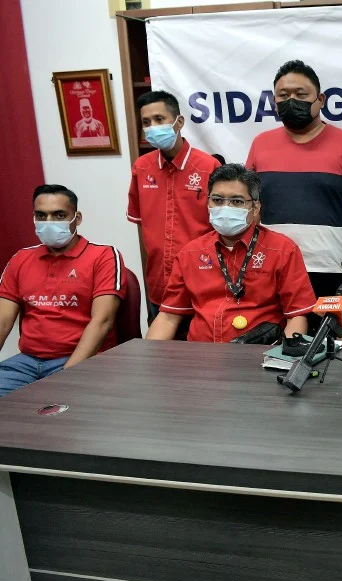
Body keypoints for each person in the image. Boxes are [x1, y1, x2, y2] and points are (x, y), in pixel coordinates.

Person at [246, 60, 342, 299]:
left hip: (335, 272)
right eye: (283, 95)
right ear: (274, 101)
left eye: (301, 94)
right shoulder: (260, 144)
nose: (291, 100)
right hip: (274, 270)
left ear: (321, 99)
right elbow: (250, 206)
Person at [146, 165, 316, 343]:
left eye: (237, 201)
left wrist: (283, 356)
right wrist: (147, 356)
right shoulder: (190, 253)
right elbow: (168, 317)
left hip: (258, 353)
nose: (225, 208)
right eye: (217, 200)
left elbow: (297, 316)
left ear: (256, 207)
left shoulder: (282, 250)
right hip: (201, 353)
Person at [0, 185, 125, 396]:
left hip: (81, 360)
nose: (49, 222)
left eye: (59, 215)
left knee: (57, 404)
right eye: (41, 216)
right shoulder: (20, 259)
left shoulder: (103, 256)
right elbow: (2, 321)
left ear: (77, 218)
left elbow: (102, 321)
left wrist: (67, 376)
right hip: (26, 362)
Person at [127, 90, 220, 321]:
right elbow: (141, 226)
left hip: (201, 283)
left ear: (179, 122)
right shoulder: (141, 167)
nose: (152, 127)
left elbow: (221, 229)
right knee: (159, 343)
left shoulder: (208, 166)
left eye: (159, 119)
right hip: (158, 287)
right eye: (146, 122)